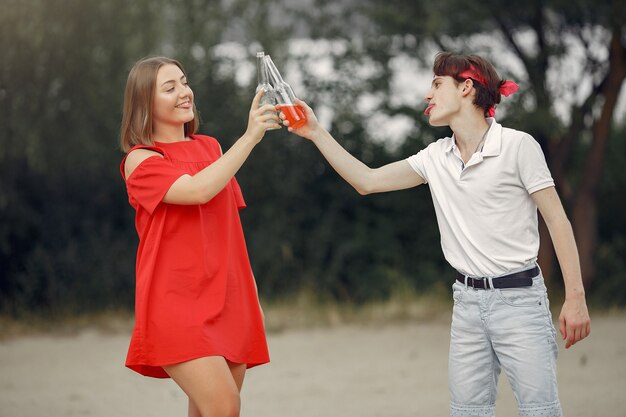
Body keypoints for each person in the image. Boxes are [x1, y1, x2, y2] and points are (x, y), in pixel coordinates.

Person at [284, 52, 591, 417]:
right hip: (467, 305)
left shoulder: (518, 146)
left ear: (466, 87)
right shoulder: (435, 157)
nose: (427, 95)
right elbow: (366, 181)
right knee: (467, 412)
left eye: (436, 84)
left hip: (520, 301)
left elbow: (557, 220)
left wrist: (575, 298)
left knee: (540, 411)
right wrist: (316, 132)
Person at [119, 56, 280, 417]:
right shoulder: (141, 160)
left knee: (209, 412)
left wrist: (251, 298)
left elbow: (228, 231)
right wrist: (251, 137)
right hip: (176, 303)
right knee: (224, 406)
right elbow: (197, 191)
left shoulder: (211, 147)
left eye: (184, 82)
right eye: (169, 87)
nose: (184, 92)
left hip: (229, 299)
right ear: (145, 102)